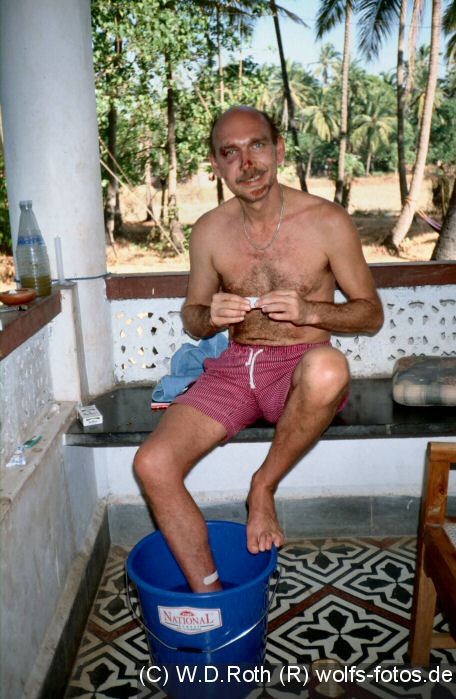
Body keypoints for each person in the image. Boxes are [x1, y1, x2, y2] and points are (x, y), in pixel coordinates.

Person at [134, 105, 384, 593]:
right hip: (234, 369)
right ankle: (209, 597)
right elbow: (193, 317)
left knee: (328, 368)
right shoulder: (209, 230)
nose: (246, 163)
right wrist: (211, 316)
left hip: (299, 369)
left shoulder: (327, 221)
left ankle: (262, 486)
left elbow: (370, 314)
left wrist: (309, 312)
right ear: (216, 165)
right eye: (230, 153)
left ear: (279, 151)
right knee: (152, 463)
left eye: (257, 146)